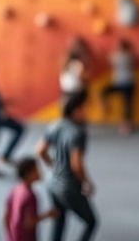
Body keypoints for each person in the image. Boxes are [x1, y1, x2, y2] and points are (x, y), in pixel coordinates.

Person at [37, 91, 97, 241]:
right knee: (91, 222)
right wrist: (86, 182)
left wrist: (53, 165)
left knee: (59, 219)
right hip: (68, 187)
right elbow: (76, 165)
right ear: (77, 110)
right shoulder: (78, 132)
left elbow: (40, 150)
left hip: (52, 183)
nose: (88, 112)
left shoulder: (54, 125)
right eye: (85, 108)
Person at [3, 157, 58, 241]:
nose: (40, 172)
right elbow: (29, 222)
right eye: (36, 169)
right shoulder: (30, 196)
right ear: (29, 174)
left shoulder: (16, 189)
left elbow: (6, 213)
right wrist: (47, 215)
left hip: (13, 235)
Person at [100, 39, 136, 135]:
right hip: (118, 83)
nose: (118, 48)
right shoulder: (120, 56)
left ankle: (127, 125)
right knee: (104, 92)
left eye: (120, 46)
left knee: (127, 105)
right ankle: (106, 107)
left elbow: (112, 60)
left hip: (128, 83)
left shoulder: (127, 56)